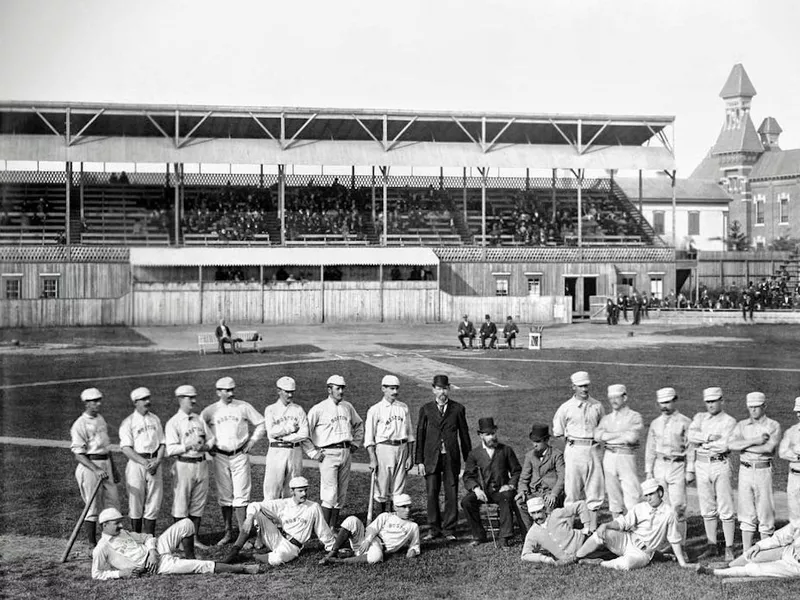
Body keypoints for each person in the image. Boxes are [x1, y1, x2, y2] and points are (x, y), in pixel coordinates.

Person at [91, 507, 257, 579]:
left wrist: (152, 552)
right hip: (155, 567)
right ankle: (242, 569)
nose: (120, 525)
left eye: (120, 521)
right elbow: (96, 574)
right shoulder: (102, 548)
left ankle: (190, 556)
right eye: (116, 523)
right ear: (104, 525)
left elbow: (148, 537)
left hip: (155, 553)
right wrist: (119, 574)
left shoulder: (123, 532)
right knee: (200, 567)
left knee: (186, 523)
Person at [200, 376, 265, 545]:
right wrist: (209, 444)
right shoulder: (211, 410)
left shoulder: (243, 406)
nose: (230, 393)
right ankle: (228, 533)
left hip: (240, 455)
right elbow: (199, 426)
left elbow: (261, 423)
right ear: (218, 392)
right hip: (220, 456)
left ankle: (243, 535)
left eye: (232, 390)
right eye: (226, 390)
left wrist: (251, 442)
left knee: (241, 496)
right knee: (225, 495)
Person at [575, 478, 690, 570]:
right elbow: (623, 522)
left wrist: (682, 563)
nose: (648, 498)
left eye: (651, 494)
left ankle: (600, 563)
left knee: (627, 564)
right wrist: (605, 525)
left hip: (643, 554)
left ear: (660, 492)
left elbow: (674, 539)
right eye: (646, 495)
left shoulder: (669, 513)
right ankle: (575, 557)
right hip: (627, 540)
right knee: (601, 533)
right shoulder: (640, 507)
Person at [223, 477, 335, 566]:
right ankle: (234, 551)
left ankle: (251, 556)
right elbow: (255, 505)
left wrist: (332, 548)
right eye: (300, 491)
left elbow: (323, 530)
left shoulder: (313, 507)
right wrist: (249, 518)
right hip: (277, 537)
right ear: (292, 491)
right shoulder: (283, 504)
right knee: (256, 512)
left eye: (305, 490)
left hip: (292, 547)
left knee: (277, 560)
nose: (304, 494)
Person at [415, 374, 472, 541]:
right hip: (431, 458)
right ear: (433, 389)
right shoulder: (426, 409)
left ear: (449, 389)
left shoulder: (458, 409)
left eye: (445, 388)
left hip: (450, 458)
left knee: (451, 492)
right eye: (439, 388)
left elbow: (464, 436)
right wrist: (419, 461)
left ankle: (449, 529)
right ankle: (434, 528)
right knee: (432, 492)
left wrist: (469, 461)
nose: (442, 392)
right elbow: (420, 436)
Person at [304, 374, 364, 528]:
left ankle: (332, 527)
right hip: (328, 453)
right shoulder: (319, 408)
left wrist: (356, 443)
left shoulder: (347, 407)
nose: (341, 391)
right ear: (329, 389)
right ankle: (324, 529)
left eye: (343, 388)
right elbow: (304, 433)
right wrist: (313, 453)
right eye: (338, 388)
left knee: (341, 493)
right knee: (329, 493)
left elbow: (358, 425)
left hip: (345, 451)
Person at [687, 386, 738, 562]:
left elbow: (725, 446)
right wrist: (709, 438)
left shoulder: (729, 421)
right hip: (701, 464)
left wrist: (703, 440)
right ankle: (712, 546)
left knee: (725, 507)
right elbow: (690, 436)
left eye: (713, 401)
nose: (710, 405)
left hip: (719, 463)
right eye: (707, 402)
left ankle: (729, 548)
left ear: (721, 401)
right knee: (707, 507)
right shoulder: (699, 418)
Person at [728, 391, 782, 551]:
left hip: (763, 470)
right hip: (744, 470)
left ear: (764, 406)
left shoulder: (773, 425)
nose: (753, 410)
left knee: (765, 512)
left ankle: (765, 551)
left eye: (757, 407)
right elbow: (731, 445)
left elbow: (769, 448)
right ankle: (746, 552)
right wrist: (755, 441)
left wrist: (744, 445)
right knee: (746, 512)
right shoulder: (741, 425)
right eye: (750, 407)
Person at [552, 371, 605, 532]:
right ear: (573, 387)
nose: (584, 389)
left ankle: (592, 529)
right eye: (581, 386)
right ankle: (568, 528)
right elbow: (558, 433)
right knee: (572, 490)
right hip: (574, 450)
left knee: (595, 489)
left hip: (593, 450)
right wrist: (572, 446)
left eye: (586, 385)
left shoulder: (597, 405)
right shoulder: (566, 408)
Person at [70, 387, 121, 548]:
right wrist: (96, 469)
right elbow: (79, 454)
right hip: (90, 467)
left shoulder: (100, 419)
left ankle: (113, 541)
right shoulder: (79, 424)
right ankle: (92, 545)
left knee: (113, 503)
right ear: (86, 403)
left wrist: (113, 468)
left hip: (105, 463)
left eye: (99, 400)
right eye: (94, 401)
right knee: (92, 508)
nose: (98, 404)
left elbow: (106, 448)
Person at [164, 384, 214, 548]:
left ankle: (194, 539)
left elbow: (212, 439)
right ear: (180, 399)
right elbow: (170, 449)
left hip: (201, 464)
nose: (193, 400)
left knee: (198, 504)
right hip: (184, 465)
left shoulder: (199, 419)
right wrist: (188, 446)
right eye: (189, 397)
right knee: (181, 504)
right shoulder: (174, 422)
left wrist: (204, 447)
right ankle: (179, 541)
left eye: (194, 397)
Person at [461, 417, 522, 548]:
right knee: (466, 502)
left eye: (493, 433)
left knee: (506, 499)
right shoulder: (474, 454)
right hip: (483, 491)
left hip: (501, 490)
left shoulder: (506, 450)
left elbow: (517, 471)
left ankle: (504, 536)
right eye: (488, 434)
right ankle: (479, 535)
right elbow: (468, 476)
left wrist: (510, 485)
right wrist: (476, 489)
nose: (492, 437)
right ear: (480, 435)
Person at [645, 387, 694, 542]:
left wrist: (690, 470)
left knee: (679, 506)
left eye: (667, 402)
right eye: (661, 403)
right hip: (659, 465)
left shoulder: (685, 422)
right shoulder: (655, 423)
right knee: (661, 506)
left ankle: (681, 544)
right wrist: (648, 471)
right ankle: (663, 543)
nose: (664, 406)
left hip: (677, 466)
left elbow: (691, 448)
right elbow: (650, 448)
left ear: (674, 400)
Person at [319, 493, 420, 565]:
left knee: (376, 557)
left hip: (379, 548)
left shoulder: (413, 526)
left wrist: (413, 551)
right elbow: (372, 529)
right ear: (395, 507)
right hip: (365, 540)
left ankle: (339, 561)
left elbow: (415, 545)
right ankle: (332, 553)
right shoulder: (386, 516)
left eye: (409, 507)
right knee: (352, 520)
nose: (407, 510)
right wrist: (367, 540)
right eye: (404, 507)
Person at [364, 375, 415, 515]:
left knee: (398, 488)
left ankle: (395, 520)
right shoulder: (375, 409)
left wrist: (410, 455)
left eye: (396, 388)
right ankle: (381, 520)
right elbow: (369, 438)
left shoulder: (403, 407)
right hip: (384, 449)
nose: (395, 392)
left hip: (402, 448)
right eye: (391, 388)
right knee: (382, 487)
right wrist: (372, 458)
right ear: (383, 389)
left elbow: (410, 434)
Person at [118, 387, 165, 535]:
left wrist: (157, 461)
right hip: (137, 464)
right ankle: (137, 538)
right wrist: (144, 463)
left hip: (154, 463)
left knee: (154, 502)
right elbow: (126, 448)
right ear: (135, 402)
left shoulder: (155, 419)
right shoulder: (128, 422)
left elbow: (163, 443)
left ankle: (150, 537)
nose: (148, 402)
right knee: (136, 502)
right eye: (144, 399)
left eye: (148, 398)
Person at [594, 384, 643, 517]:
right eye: (611, 398)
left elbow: (632, 438)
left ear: (625, 397)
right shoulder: (607, 418)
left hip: (626, 457)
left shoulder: (634, 416)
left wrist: (608, 436)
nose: (613, 401)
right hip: (609, 457)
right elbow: (598, 436)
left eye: (617, 397)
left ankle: (635, 533)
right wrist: (620, 435)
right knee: (614, 498)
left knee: (632, 496)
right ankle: (619, 533)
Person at [696, 521, 800, 578]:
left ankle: (714, 572)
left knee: (755, 568)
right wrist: (758, 546)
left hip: (795, 565)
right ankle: (728, 565)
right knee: (752, 555)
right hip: (788, 551)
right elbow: (781, 536)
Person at [262, 376, 309, 500]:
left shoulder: (299, 410)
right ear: (279, 391)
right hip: (276, 452)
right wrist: (290, 428)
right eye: (287, 391)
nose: (290, 395)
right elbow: (271, 432)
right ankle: (270, 519)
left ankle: (289, 519)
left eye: (291, 392)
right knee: (272, 491)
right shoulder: (271, 409)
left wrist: (286, 437)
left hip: (294, 452)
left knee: (292, 490)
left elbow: (304, 433)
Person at [515, 423, 565, 530]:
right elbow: (524, 478)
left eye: (538, 442)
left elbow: (562, 477)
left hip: (549, 493)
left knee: (548, 506)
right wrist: (522, 491)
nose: (534, 445)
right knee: (520, 503)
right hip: (533, 493)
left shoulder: (556, 455)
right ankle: (530, 532)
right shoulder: (530, 456)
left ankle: (548, 535)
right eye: (533, 441)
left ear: (546, 441)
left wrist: (554, 494)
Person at [520, 496, 590, 565]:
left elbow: (581, 504)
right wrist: (544, 559)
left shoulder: (556, 514)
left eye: (539, 512)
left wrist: (587, 527)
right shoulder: (533, 533)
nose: (537, 516)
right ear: (530, 514)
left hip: (585, 543)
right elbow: (525, 555)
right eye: (533, 513)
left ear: (544, 509)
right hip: (569, 558)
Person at [778, 396, 800, 522]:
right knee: (794, 514)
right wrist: (797, 456)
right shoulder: (791, 431)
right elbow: (782, 452)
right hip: (794, 477)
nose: (799, 415)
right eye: (797, 412)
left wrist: (794, 449)